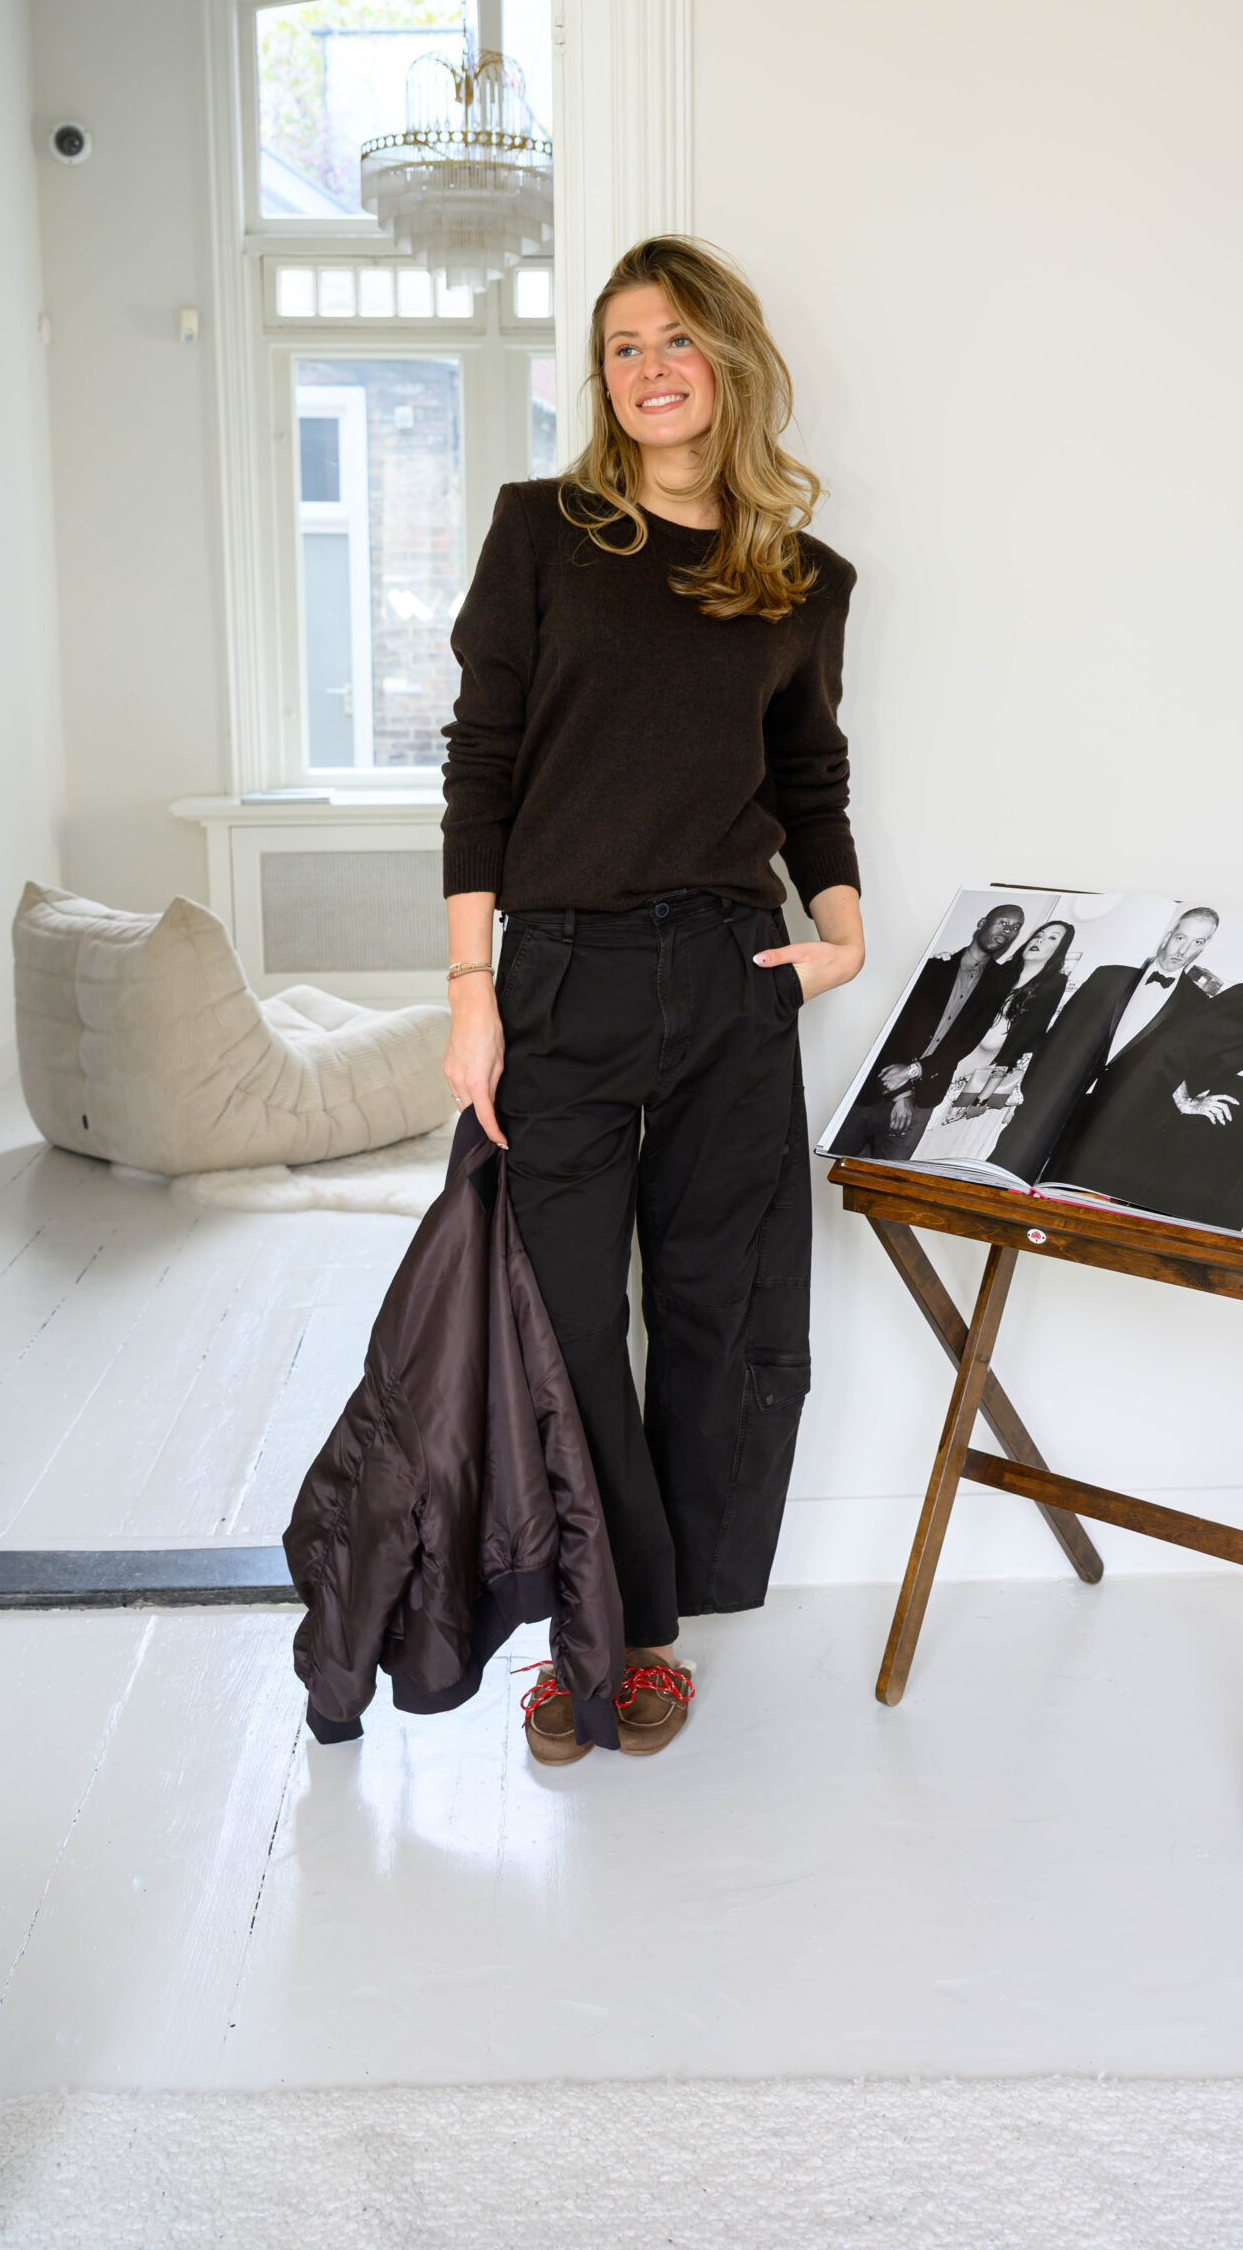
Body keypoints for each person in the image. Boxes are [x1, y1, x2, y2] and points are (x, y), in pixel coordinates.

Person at [439, 236, 865, 1765]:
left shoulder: (798, 578)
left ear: (727, 361)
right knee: (559, 1314)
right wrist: (470, 988)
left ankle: (651, 1635)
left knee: (717, 1306)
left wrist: (840, 936)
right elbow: (482, 760)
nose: (647, 369)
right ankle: (586, 1621)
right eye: (621, 347)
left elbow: (808, 778)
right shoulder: (542, 534)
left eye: (674, 339)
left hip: (730, 973)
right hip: (558, 973)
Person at [1064, 925, 1243, 1228]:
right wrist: (1186, 1101)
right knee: (1160, 1212)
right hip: (1208, 1119)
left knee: (1205, 1224)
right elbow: (1173, 1046)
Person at [997, 905, 1223, 1183]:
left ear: (1204, 946)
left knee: (1061, 1193)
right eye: (1180, 938)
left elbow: (1177, 1063)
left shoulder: (1197, 1004)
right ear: (1167, 937)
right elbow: (1057, 1035)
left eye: (1197, 942)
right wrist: (1025, 1092)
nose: (1184, 949)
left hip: (1108, 1120)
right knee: (1004, 1176)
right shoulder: (1107, 976)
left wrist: (1189, 1100)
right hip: (1047, 1102)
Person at [831, 902, 1024, 1159]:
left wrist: (914, 1071)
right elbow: (893, 1028)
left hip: (925, 1099)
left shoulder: (999, 982)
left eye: (1015, 927)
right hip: (874, 1087)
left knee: (887, 1179)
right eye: (1003, 922)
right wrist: (901, 1093)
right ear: (982, 923)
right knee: (825, 1164)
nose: (1008, 930)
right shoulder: (933, 966)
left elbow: (966, 1042)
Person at [912, 917, 1075, 1167]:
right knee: (917, 1134)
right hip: (950, 1063)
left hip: (986, 1075)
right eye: (1039, 934)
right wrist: (949, 963)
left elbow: (1023, 1041)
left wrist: (984, 1096)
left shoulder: (1053, 985)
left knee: (944, 1148)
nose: (1040, 940)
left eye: (1052, 938)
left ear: (1059, 950)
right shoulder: (1001, 972)